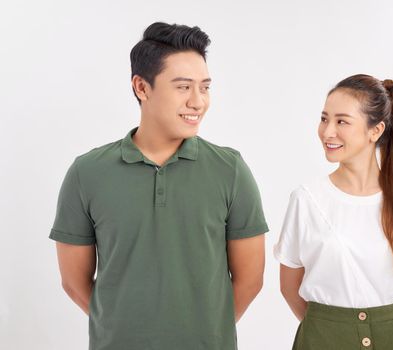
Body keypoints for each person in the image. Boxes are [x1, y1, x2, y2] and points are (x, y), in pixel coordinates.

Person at [49, 22, 268, 350]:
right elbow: (74, 282)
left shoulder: (230, 170)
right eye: (183, 87)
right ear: (142, 87)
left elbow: (250, 280)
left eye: (205, 87)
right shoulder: (87, 173)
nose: (198, 102)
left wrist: (206, 331)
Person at [274, 74, 393, 350]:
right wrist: (330, 329)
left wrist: (383, 327)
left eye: (341, 121)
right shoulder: (306, 199)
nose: (327, 131)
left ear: (375, 130)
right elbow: (289, 286)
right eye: (324, 118)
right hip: (322, 340)